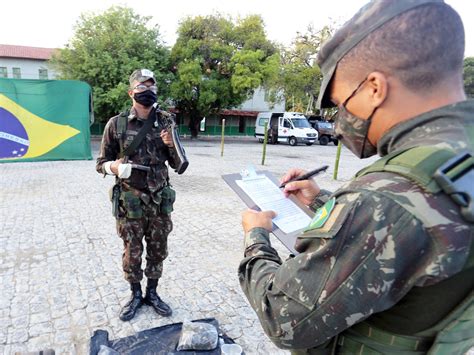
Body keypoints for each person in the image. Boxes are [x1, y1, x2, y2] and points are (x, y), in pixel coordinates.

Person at [239, 1, 473, 353]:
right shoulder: (458, 153)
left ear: (375, 88)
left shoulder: (385, 197)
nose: (339, 122)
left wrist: (256, 236)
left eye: (341, 103)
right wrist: (322, 202)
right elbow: (421, 237)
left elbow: (282, 317)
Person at [96, 69, 180, 321]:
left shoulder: (166, 121)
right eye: (142, 87)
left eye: (151, 87)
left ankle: (152, 294)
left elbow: (178, 164)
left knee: (157, 249)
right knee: (132, 252)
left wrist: (170, 145)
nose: (147, 91)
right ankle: (134, 295)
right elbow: (100, 162)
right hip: (130, 201)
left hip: (158, 201)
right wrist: (114, 167)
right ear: (131, 92)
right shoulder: (117, 124)